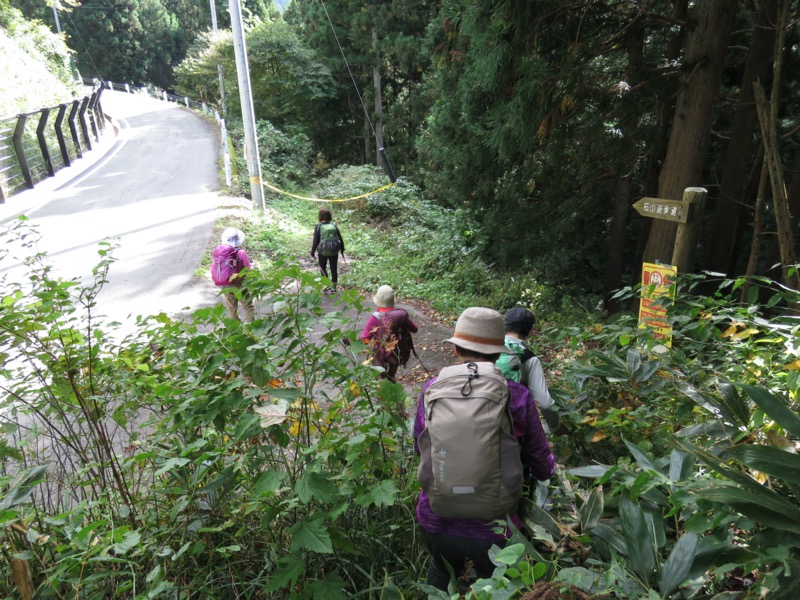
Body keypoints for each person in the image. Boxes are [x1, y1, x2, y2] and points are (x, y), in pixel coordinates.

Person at [414, 307, 555, 591]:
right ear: (499, 353)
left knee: (442, 572)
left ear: (455, 349)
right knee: (496, 585)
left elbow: (421, 445)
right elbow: (540, 461)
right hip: (496, 526)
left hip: (436, 518)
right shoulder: (517, 395)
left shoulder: (431, 389)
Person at [501, 307, 560, 432]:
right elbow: (545, 403)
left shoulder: (487, 346)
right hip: (508, 422)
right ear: (530, 330)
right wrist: (555, 426)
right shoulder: (529, 358)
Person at [359, 285, 419, 383]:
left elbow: (365, 340)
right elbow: (415, 329)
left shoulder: (375, 318)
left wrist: (349, 341)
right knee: (391, 377)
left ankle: (383, 396)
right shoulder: (401, 315)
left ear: (378, 302)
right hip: (396, 355)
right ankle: (393, 392)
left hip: (380, 356)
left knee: (380, 381)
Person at [212, 227, 255, 323]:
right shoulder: (240, 252)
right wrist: (252, 266)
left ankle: (237, 331)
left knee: (232, 309)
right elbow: (247, 269)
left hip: (224, 284)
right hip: (238, 283)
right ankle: (253, 328)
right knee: (248, 306)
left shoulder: (219, 252)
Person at [310, 208, 345, 292]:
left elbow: (315, 240)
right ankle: (334, 288)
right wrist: (342, 249)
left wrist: (312, 251)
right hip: (334, 251)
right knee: (334, 269)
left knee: (323, 267)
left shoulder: (318, 226)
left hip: (322, 251)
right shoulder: (334, 225)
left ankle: (326, 285)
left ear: (320, 216)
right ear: (330, 216)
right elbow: (340, 238)